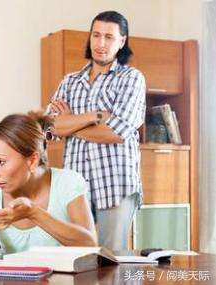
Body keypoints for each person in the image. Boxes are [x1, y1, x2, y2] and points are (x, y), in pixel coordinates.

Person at [47, 11, 146, 250]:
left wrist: (69, 123)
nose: (101, 44)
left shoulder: (131, 79)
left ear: (122, 41)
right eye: (96, 35)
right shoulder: (70, 81)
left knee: (110, 259)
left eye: (109, 37)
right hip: (75, 187)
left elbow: (115, 133)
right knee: (76, 259)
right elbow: (49, 127)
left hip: (115, 185)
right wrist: (93, 117)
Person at [0, 112, 97, 254]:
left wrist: (34, 213)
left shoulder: (67, 182)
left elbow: (90, 244)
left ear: (33, 160)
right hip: (13, 277)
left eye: (1, 161)